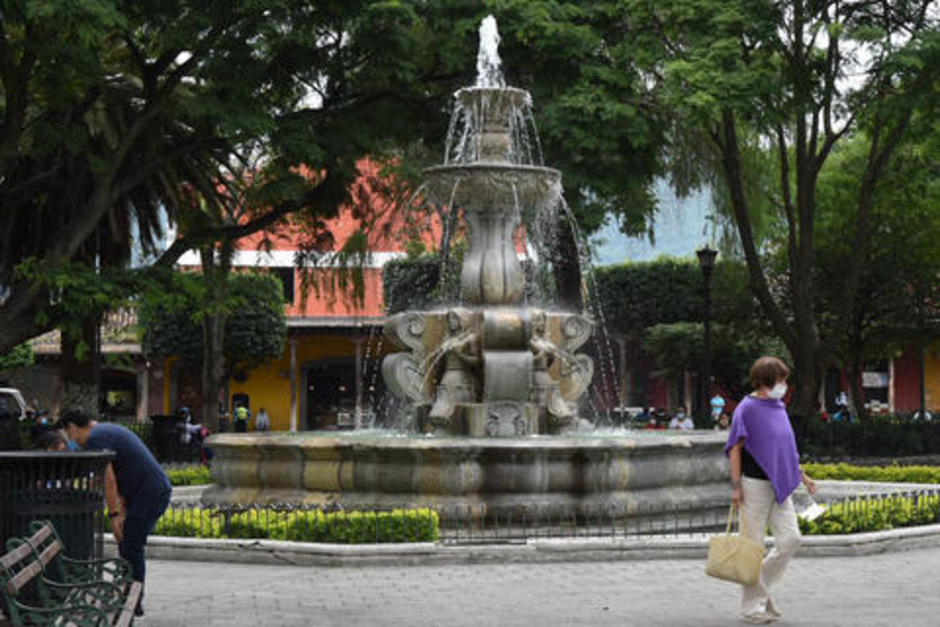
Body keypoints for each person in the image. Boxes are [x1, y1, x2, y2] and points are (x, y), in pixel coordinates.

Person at [725, 356, 816, 624]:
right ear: (766, 380)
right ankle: (752, 608)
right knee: (752, 546)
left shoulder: (778, 406)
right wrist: (736, 486)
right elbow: (735, 449)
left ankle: (759, 589)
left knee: (791, 540)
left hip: (781, 485)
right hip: (754, 485)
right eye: (782, 380)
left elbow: (784, 450)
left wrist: (803, 476)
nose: (785, 385)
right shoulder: (747, 408)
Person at [61, 410, 171, 618]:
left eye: (70, 435)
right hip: (148, 492)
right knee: (128, 544)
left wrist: (113, 515)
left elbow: (108, 479)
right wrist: (120, 506)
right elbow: (117, 476)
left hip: (149, 494)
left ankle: (133, 601)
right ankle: (128, 595)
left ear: (74, 427)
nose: (72, 441)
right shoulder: (105, 431)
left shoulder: (96, 438)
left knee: (131, 544)